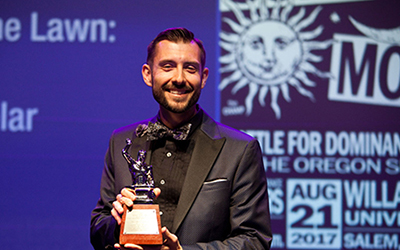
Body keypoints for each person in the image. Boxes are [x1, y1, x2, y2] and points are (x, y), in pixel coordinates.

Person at [90, 27, 272, 250]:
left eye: (190, 68)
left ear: (203, 77)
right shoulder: (122, 141)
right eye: (167, 67)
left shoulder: (240, 150)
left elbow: (254, 240)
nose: (178, 78)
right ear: (148, 74)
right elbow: (98, 229)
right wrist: (119, 223)